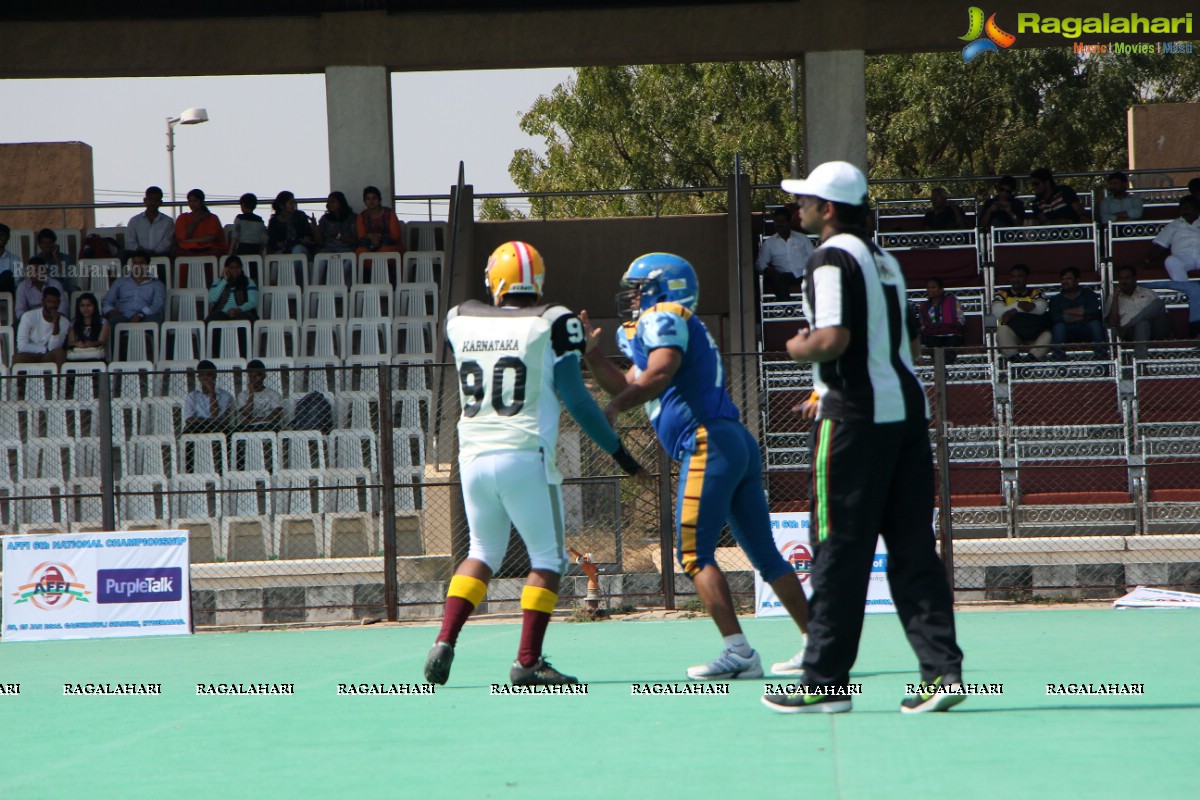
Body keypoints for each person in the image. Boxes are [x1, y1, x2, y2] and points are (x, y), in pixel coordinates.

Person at [762, 160, 964, 714]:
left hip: (852, 421)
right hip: (905, 416)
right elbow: (910, 343)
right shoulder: (885, 260)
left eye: (804, 199)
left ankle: (824, 683)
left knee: (838, 550)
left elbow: (832, 337)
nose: (796, 206)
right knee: (913, 549)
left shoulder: (829, 257)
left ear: (827, 209)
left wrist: (799, 350)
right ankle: (942, 671)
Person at [424, 241, 648, 688]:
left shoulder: (460, 318)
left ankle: (444, 640)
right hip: (524, 455)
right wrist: (621, 455)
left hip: (472, 457)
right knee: (547, 559)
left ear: (497, 281)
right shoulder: (552, 321)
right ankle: (527, 662)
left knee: (482, 553)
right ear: (537, 280)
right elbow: (579, 401)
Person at [582, 253, 811, 681]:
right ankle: (819, 645)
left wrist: (614, 407)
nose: (632, 297)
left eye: (639, 288)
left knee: (692, 553)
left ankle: (738, 652)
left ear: (662, 288)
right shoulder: (667, 322)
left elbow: (661, 373)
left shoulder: (664, 314)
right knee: (764, 553)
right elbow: (634, 382)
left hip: (706, 441)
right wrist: (594, 356)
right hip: (731, 439)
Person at [1142, 196, 1200, 338]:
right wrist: (1147, 261)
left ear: (1197, 209)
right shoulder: (1174, 225)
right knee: (1171, 261)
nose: (1184, 210)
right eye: (1182, 208)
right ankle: (1185, 293)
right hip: (1183, 258)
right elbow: (1160, 246)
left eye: (1188, 207)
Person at [992, 263, 1051, 360]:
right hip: (1014, 335)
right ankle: (1016, 362)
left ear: (1026, 278)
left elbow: (1040, 309)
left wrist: (1012, 312)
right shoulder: (1001, 294)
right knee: (1002, 330)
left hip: (1034, 334)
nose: (1016, 279)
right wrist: (1018, 306)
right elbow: (999, 314)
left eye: (1020, 276)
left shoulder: (1037, 293)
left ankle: (1029, 362)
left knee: (1048, 334)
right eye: (1013, 276)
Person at [1107, 265, 1168, 358]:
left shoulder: (1149, 293)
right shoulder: (1113, 297)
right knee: (1142, 324)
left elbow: (1162, 314)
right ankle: (1141, 364)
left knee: (1159, 303)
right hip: (1129, 334)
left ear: (1135, 278)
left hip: (1154, 330)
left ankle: (1131, 324)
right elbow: (1112, 323)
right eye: (1121, 278)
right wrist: (1115, 298)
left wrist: (1130, 324)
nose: (1124, 281)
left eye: (1127, 278)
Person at [756, 207, 815, 302]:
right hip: (783, 276)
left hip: (803, 274)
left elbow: (814, 257)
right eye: (777, 221)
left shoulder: (802, 239)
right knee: (773, 278)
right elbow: (760, 262)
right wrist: (767, 269)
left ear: (789, 222)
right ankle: (788, 306)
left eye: (782, 221)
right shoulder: (769, 243)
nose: (779, 224)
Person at [1048, 266, 1106, 359]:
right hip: (1067, 330)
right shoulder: (1056, 299)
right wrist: (1082, 313)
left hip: (1086, 329)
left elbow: (1094, 310)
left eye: (1068, 278)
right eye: (1062, 279)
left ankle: (1102, 361)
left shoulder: (1088, 293)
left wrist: (1067, 312)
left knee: (1096, 325)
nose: (1065, 281)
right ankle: (1058, 363)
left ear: (1077, 280)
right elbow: (1055, 317)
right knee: (1058, 327)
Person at [103, 251, 165, 326]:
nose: (137, 266)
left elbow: (157, 305)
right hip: (123, 315)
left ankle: (147, 337)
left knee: (156, 323)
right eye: (135, 262)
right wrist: (111, 311)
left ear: (148, 265)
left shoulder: (157, 284)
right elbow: (108, 300)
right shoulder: (120, 281)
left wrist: (140, 314)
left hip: (146, 316)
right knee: (111, 323)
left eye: (141, 263)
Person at [14, 286, 69, 367]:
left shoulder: (64, 322)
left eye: (55, 302)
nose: (53, 305)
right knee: (18, 358)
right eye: (49, 302)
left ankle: (59, 380)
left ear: (59, 302)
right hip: (30, 354)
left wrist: (56, 323)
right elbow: (22, 346)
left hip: (49, 356)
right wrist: (44, 349)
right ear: (43, 301)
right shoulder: (29, 316)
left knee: (59, 353)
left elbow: (54, 348)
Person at [916, 277, 965, 362]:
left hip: (951, 335)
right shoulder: (924, 306)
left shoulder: (952, 302)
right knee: (934, 346)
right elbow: (922, 323)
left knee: (950, 348)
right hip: (933, 336)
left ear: (941, 289)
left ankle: (943, 371)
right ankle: (942, 372)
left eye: (933, 287)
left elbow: (961, 320)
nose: (930, 290)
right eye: (928, 288)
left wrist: (950, 325)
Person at [183, 359, 233, 434]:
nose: (206, 378)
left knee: (224, 429)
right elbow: (188, 419)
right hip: (198, 427)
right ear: (199, 377)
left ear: (215, 376)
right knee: (188, 430)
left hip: (217, 428)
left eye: (209, 375)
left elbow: (215, 415)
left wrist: (212, 392)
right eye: (202, 375)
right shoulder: (192, 396)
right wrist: (207, 421)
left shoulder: (225, 395)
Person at [124, 186, 174, 258]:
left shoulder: (168, 221)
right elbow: (130, 242)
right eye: (150, 200)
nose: (153, 203)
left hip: (160, 255)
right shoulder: (135, 221)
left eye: (156, 200)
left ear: (160, 202)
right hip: (138, 255)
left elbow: (167, 243)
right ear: (145, 200)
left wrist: (154, 252)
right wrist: (141, 250)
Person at [174, 189, 226, 256]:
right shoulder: (182, 218)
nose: (192, 204)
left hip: (209, 249)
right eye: (190, 201)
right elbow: (183, 236)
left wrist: (189, 241)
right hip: (188, 250)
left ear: (201, 202)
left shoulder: (212, 218)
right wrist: (197, 220)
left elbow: (212, 237)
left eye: (195, 201)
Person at [355, 185, 404, 255]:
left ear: (379, 199)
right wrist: (371, 237)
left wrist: (379, 238)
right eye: (368, 199)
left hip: (389, 245)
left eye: (374, 198)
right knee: (360, 251)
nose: (371, 201)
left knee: (385, 249)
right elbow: (361, 236)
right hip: (369, 245)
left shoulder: (390, 213)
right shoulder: (361, 216)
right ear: (364, 201)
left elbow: (395, 236)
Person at [237, 359, 284, 431]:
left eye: (256, 376)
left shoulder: (274, 394)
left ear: (264, 376)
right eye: (251, 376)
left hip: (268, 426)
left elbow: (275, 418)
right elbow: (247, 414)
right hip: (249, 428)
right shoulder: (242, 395)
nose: (253, 379)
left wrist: (254, 420)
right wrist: (251, 393)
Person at [267, 190, 317, 257]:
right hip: (282, 250)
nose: (294, 205)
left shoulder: (300, 216)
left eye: (294, 202)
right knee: (277, 257)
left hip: (300, 248)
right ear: (281, 205)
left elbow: (307, 235)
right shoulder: (274, 221)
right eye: (291, 203)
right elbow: (272, 242)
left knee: (297, 250)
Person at [67, 292, 110, 360]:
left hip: (95, 355)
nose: (85, 309)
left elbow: (102, 341)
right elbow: (70, 342)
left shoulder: (103, 322)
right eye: (82, 305)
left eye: (89, 305)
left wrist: (92, 344)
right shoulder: (73, 323)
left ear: (94, 306)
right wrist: (78, 344)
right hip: (78, 355)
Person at [0, 222, 21, 295]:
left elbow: (17, 281)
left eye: (2, 235)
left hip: (8, 295)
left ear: (8, 237)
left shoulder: (16, 259)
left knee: (7, 275)